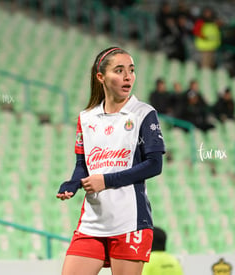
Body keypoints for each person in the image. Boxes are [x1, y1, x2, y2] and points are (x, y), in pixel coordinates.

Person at [56, 47, 166, 275]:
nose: (128, 76)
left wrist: (105, 181)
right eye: (119, 70)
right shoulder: (85, 118)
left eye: (131, 70)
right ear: (101, 77)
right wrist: (72, 184)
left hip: (130, 222)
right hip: (93, 222)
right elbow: (83, 166)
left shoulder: (144, 113)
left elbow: (155, 164)